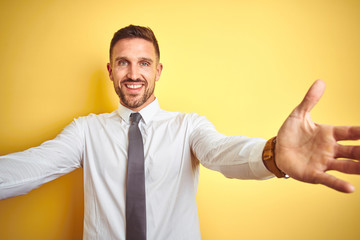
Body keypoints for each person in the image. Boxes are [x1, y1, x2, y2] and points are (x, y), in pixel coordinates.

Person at [0, 25, 359, 240]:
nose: (133, 73)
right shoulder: (86, 131)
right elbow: (34, 166)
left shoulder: (188, 126)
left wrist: (273, 153)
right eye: (123, 62)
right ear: (110, 70)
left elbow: (222, 152)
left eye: (144, 63)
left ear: (158, 70)